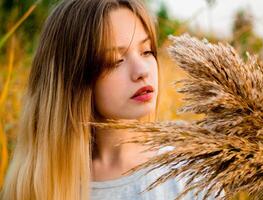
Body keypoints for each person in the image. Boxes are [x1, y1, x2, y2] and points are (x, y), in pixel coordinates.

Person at [1, 0, 207, 199]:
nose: (142, 71)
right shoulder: (35, 187)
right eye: (115, 61)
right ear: (73, 79)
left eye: (146, 51)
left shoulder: (188, 173)